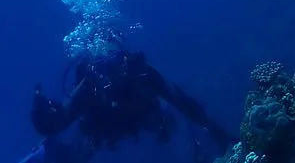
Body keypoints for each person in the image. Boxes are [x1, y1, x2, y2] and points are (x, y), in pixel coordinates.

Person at [25, 49, 230, 163]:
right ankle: (44, 154)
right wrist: (41, 115)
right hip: (101, 129)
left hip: (137, 117)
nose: (108, 71)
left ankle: (198, 147)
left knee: (167, 124)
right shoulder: (88, 88)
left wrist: (212, 128)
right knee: (76, 153)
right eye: (101, 65)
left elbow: (182, 101)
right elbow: (57, 121)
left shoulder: (142, 74)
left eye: (113, 61)